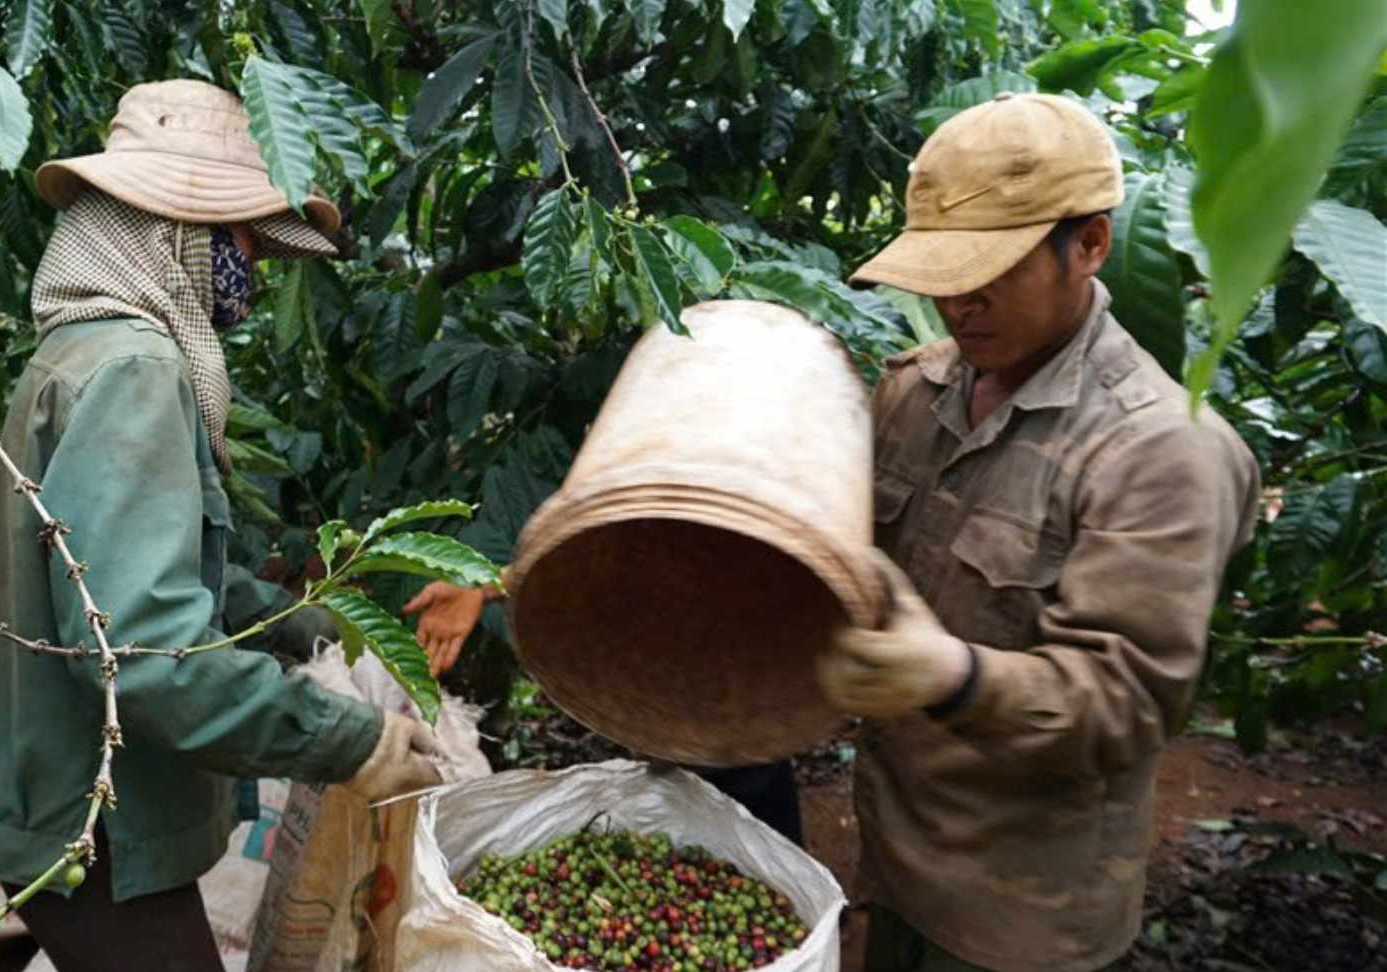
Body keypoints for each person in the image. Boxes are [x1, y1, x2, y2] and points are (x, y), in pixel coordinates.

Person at [407, 92, 1260, 972]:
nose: (958, 303)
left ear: (1090, 244)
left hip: (1021, 908)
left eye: (991, 272)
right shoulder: (917, 391)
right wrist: (507, 578)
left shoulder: (1162, 452)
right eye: (944, 275)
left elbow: (1125, 704)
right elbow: (762, 531)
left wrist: (951, 676)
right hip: (892, 852)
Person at [0, 80, 441, 972]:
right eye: (244, 239)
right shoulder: (133, 370)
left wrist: (304, 627)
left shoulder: (84, 347)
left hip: (66, 792)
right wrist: (350, 742)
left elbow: (139, 570)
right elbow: (144, 648)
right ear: (180, 232)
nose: (253, 267)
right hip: (95, 819)